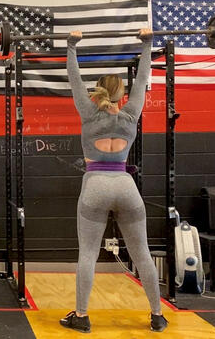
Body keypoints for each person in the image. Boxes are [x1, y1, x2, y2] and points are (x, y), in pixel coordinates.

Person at [59, 28, 168, 333]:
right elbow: (144, 78)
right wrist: (147, 44)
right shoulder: (131, 114)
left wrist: (71, 45)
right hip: (125, 187)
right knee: (142, 254)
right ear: (122, 94)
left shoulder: (88, 113)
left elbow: (74, 78)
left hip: (95, 186)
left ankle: (81, 317)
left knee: (88, 255)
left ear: (99, 92)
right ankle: (157, 315)